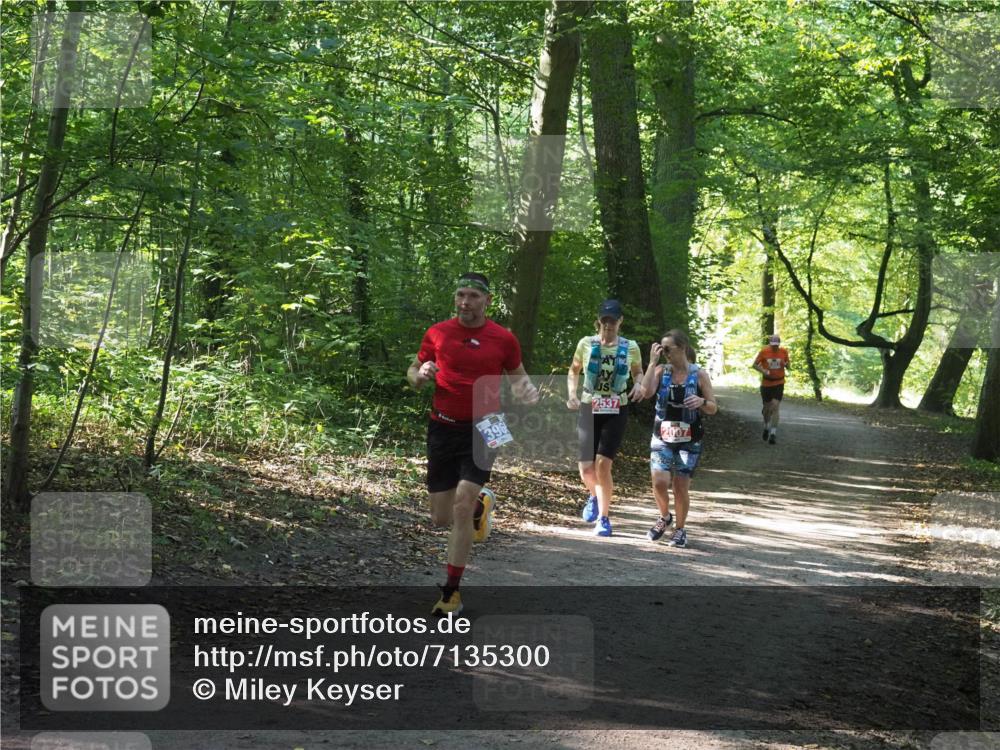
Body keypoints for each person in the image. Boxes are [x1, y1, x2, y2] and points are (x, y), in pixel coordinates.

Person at [407, 273, 538, 616]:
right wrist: (419, 376)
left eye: (472, 296)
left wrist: (530, 394)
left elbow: (519, 377)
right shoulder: (437, 332)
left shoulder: (504, 339)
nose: (465, 302)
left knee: (461, 506)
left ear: (487, 300)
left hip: (487, 425)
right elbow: (414, 369)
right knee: (439, 517)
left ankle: (451, 592)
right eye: (460, 295)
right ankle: (482, 504)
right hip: (443, 425)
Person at [566, 300, 645, 537]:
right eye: (605, 320)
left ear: (620, 321)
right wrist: (571, 394)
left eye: (613, 320)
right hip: (589, 406)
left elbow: (638, 371)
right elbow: (574, 369)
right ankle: (594, 495)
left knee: (603, 464)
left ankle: (604, 518)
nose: (608, 325)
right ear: (598, 321)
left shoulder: (630, 347)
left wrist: (639, 384)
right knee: (585, 469)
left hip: (616, 407)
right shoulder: (586, 343)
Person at [641, 329, 717, 548]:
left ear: (682, 348)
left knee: (680, 485)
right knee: (659, 482)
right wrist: (651, 363)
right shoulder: (659, 371)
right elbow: (646, 393)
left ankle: (680, 530)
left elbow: (713, 407)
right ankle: (665, 517)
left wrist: (701, 402)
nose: (664, 353)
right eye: (661, 349)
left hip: (690, 438)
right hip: (662, 436)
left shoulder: (699, 375)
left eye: (668, 349)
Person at [752, 334, 790, 445]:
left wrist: (786, 364)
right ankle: (766, 427)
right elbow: (754, 365)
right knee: (767, 409)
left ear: (779, 344)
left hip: (779, 382)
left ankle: (773, 434)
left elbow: (788, 365)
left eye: (776, 345)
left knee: (775, 406)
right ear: (770, 344)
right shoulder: (764, 352)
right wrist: (763, 370)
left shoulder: (784, 352)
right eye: (773, 345)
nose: (775, 347)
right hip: (766, 383)